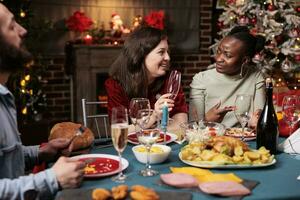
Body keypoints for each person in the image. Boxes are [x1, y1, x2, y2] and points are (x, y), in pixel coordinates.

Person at [0, 3, 85, 199]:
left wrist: (40, 152)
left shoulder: (4, 95)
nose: (23, 30)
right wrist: (52, 179)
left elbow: (5, 158)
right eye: (12, 26)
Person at [105, 25, 188, 130]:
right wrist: (154, 117)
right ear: (141, 55)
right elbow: (119, 130)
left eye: (168, 52)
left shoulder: (171, 81)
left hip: (163, 145)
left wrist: (149, 133)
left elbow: (181, 122)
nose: (168, 57)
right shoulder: (115, 85)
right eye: (161, 52)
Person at [190, 26, 266, 128]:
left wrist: (256, 120)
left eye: (228, 55)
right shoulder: (201, 80)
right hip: (211, 139)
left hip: (243, 140)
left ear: (245, 60)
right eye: (218, 51)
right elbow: (192, 127)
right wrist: (207, 119)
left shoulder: (256, 77)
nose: (218, 59)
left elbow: (259, 116)